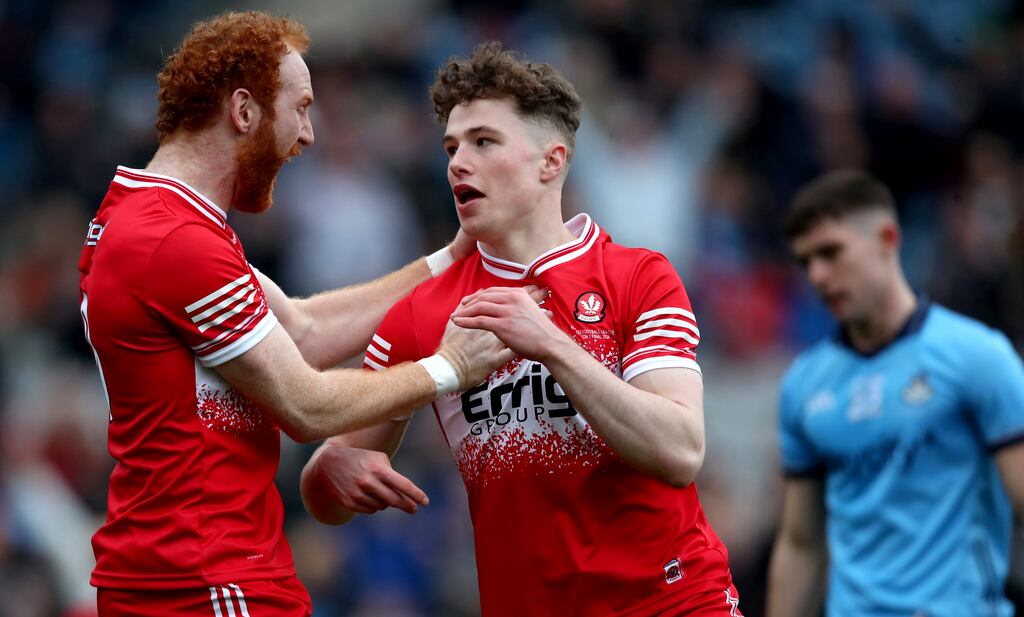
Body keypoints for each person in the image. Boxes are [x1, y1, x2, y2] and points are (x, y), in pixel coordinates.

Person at [78, 12, 524, 616]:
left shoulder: (147, 216)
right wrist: (448, 369)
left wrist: (451, 259)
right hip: (205, 579)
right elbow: (306, 404)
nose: (309, 134)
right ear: (244, 111)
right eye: (302, 106)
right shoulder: (173, 242)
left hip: (186, 571)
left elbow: (303, 332)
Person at [300, 42, 743, 616]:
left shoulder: (637, 275)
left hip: (673, 601)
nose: (459, 162)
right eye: (452, 147)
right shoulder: (422, 313)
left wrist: (551, 344)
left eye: (485, 142)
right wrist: (328, 472)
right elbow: (326, 496)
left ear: (551, 161)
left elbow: (681, 450)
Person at [766, 170, 1024, 616]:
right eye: (806, 262)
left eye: (831, 253)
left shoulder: (978, 356)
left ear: (887, 239)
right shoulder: (804, 385)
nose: (819, 276)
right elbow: (801, 544)